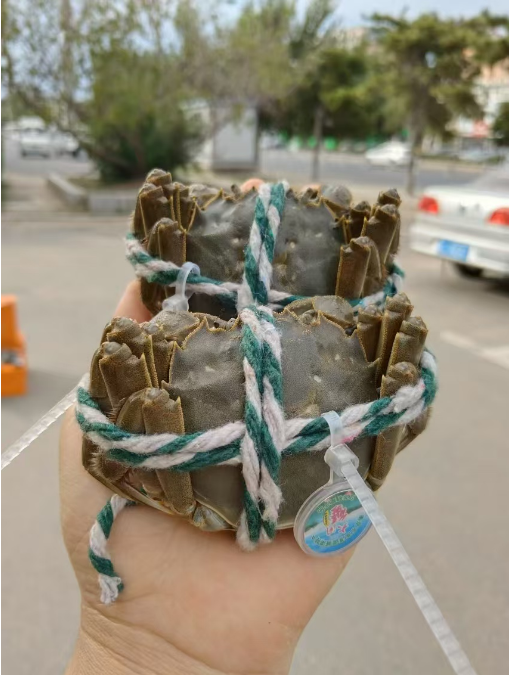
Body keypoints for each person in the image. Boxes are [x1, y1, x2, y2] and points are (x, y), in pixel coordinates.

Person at [59, 179, 353, 675]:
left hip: (175, 518)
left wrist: (131, 648)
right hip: (322, 497)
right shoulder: (360, 352)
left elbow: (102, 451)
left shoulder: (157, 358)